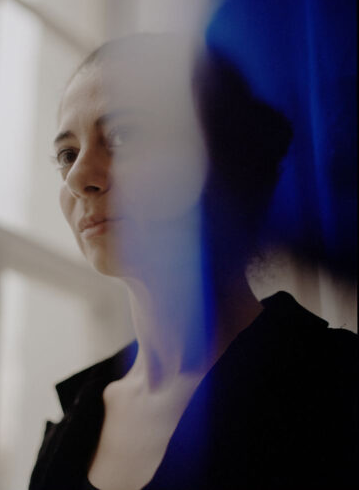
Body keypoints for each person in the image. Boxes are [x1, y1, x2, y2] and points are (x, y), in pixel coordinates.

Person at [29, 35, 358, 490]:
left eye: (123, 135)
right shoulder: (68, 430)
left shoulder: (337, 386)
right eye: (68, 154)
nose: (79, 175)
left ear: (218, 160)